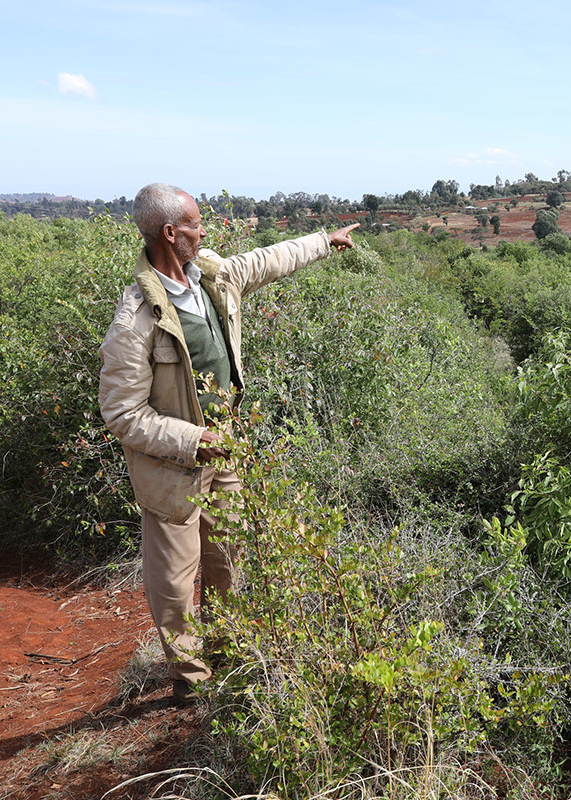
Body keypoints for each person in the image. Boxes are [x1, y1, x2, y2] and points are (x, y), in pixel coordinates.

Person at [98, 182, 356, 702]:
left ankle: (229, 651)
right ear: (170, 233)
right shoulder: (136, 320)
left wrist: (324, 241)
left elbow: (266, 260)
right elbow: (123, 414)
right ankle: (190, 682)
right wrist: (195, 440)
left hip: (227, 454)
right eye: (194, 223)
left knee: (229, 558)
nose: (203, 230)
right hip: (174, 470)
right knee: (173, 582)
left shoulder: (212, 277)